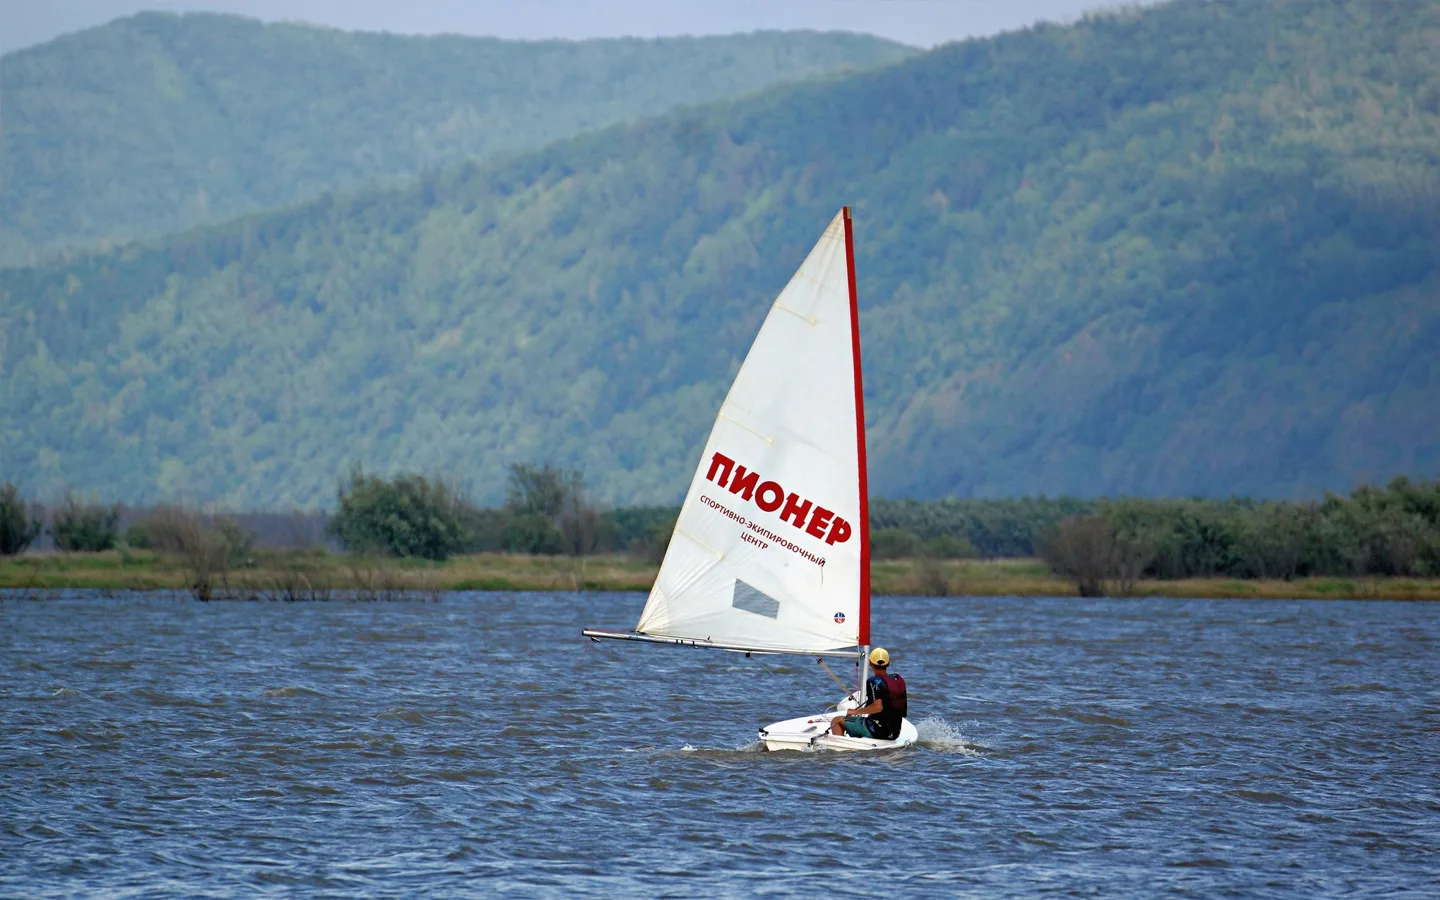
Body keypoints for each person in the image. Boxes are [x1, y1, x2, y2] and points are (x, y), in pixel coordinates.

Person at [829, 647, 907, 740]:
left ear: (870, 663)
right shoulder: (896, 679)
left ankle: (840, 751)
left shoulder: (873, 681)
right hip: (894, 732)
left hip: (877, 731)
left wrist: (855, 712)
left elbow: (877, 707)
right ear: (888, 663)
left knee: (836, 721)